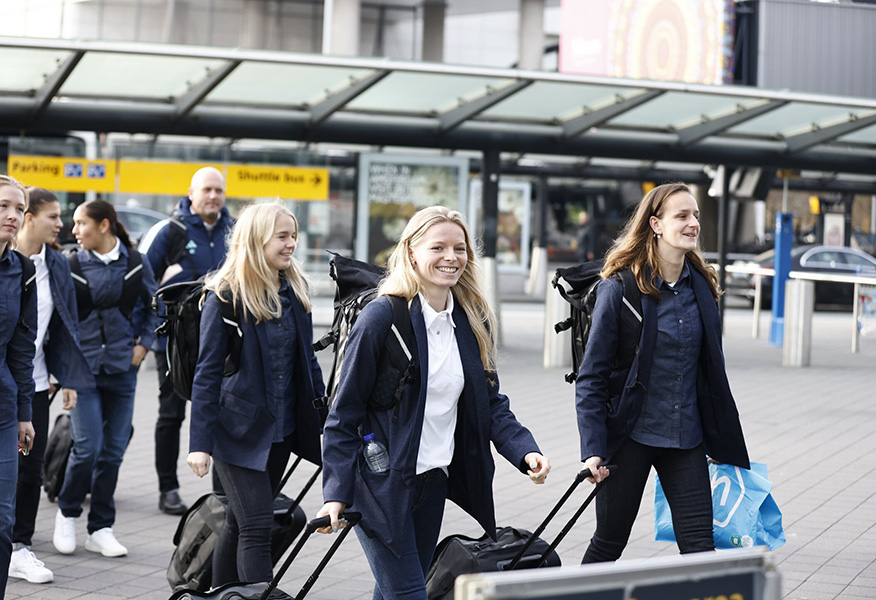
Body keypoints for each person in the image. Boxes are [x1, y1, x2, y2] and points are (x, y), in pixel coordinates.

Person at [317, 205, 551, 600]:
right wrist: (335, 493)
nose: (451, 257)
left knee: (394, 590)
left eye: (459, 248)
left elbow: (490, 401)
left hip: (432, 479)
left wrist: (525, 451)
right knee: (410, 593)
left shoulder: (471, 320)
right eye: (438, 247)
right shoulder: (381, 318)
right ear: (411, 252)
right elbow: (344, 412)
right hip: (380, 484)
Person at [575, 182, 750, 563]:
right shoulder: (619, 288)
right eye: (682, 216)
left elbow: (709, 371)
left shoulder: (703, 285)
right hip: (629, 434)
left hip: (685, 437)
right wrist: (592, 449)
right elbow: (592, 376)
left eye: (696, 216)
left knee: (700, 548)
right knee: (609, 542)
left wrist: (719, 440)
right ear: (655, 224)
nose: (693, 224)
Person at [187, 201, 326, 586]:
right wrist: (199, 443)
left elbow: (307, 362)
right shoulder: (226, 296)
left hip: (279, 432)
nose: (291, 244)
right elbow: (207, 374)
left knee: (240, 519)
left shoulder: (294, 291)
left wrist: (326, 415)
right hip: (235, 432)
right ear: (256, 239)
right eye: (282, 236)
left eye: (293, 236)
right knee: (258, 525)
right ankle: (256, 595)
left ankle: (222, 593)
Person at [52, 200, 156, 558]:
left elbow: (155, 307)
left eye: (81, 223)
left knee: (112, 452)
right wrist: (60, 371)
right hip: (82, 371)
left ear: (105, 225)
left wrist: (145, 345)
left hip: (122, 371)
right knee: (89, 448)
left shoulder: (137, 261)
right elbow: (58, 319)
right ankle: (67, 514)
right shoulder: (71, 263)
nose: (74, 230)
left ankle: (101, 528)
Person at [8, 188, 94, 583]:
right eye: (53, 217)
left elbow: (64, 325)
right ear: (29, 218)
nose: (62, 224)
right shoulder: (0, 259)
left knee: (30, 468)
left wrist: (68, 377)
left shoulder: (57, 263)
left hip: (38, 383)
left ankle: (18, 545)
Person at [140, 166, 233, 516]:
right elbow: (140, 279)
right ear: (191, 193)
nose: (213, 196)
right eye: (207, 190)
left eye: (218, 191)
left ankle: (223, 492)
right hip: (177, 340)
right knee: (171, 413)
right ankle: (168, 488)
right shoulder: (169, 230)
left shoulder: (235, 231)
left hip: (224, 339)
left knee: (223, 411)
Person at [0, 172, 37, 600]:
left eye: (20, 208)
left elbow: (22, 348)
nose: (14, 215)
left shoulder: (24, 270)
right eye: (4, 206)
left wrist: (24, 414)